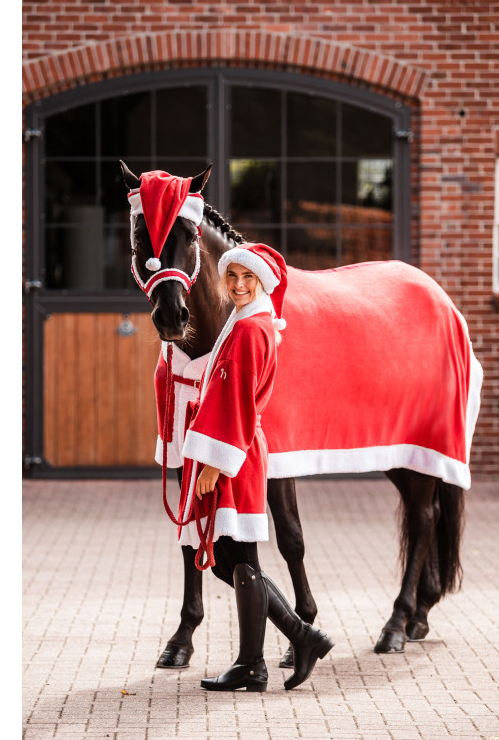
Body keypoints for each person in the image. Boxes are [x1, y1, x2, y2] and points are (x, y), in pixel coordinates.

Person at [178, 243, 334, 692]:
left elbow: (238, 406)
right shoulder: (245, 322)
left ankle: (256, 661)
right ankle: (298, 639)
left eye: (249, 278)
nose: (239, 286)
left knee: (240, 560)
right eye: (232, 278)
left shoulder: (250, 331)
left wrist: (216, 466)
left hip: (235, 456)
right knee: (229, 563)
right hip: (234, 453)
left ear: (263, 281)